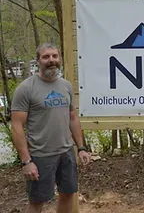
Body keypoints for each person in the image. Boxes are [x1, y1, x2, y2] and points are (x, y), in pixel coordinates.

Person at [11, 43, 92, 213]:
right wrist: (27, 161)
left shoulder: (66, 86)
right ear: (38, 60)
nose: (51, 60)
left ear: (60, 59)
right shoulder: (26, 88)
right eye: (46, 57)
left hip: (66, 153)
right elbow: (17, 126)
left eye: (55, 56)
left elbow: (73, 118)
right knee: (37, 201)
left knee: (68, 194)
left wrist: (81, 148)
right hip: (40, 155)